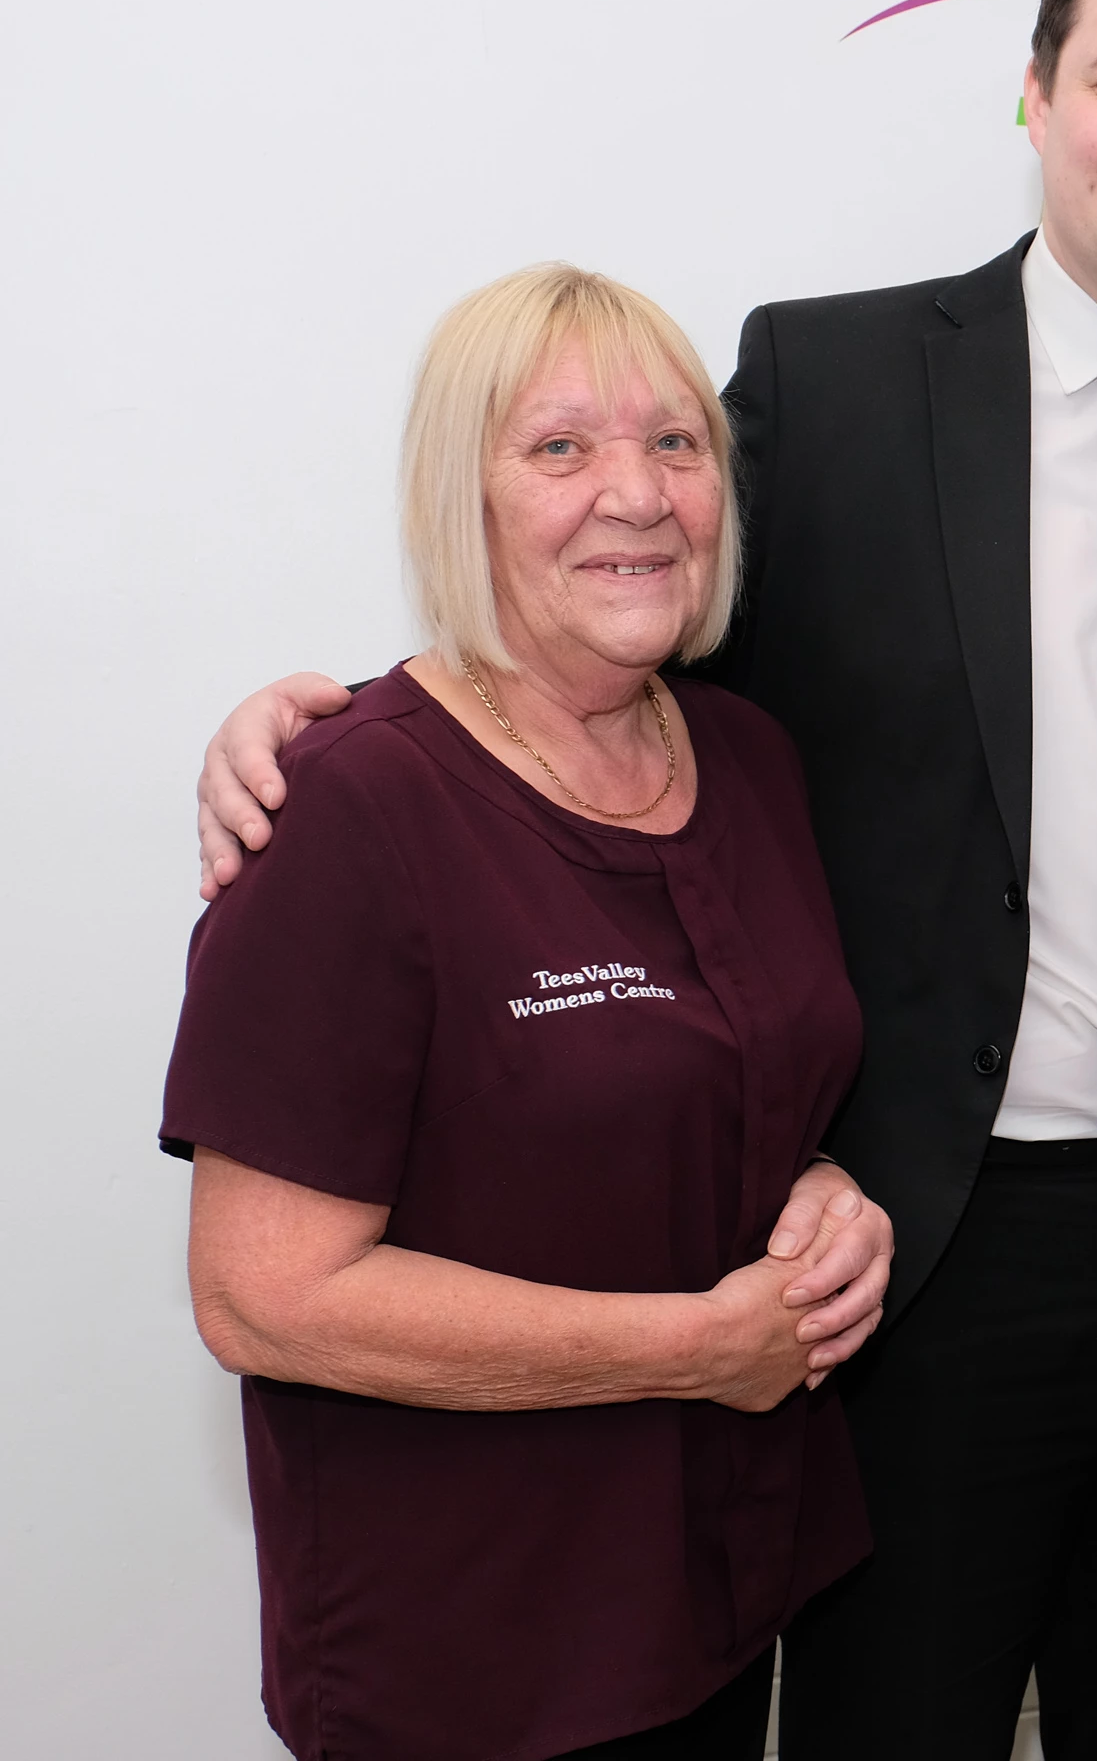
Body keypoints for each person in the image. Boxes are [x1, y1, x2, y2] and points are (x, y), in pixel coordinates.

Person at [187, 0, 1097, 1757]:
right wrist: (330, 718)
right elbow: (613, 597)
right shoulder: (836, 386)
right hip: (907, 1252)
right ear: (1036, 98)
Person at [164, 266, 890, 1760]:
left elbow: (732, 1070)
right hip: (471, 1652)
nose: (635, 492)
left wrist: (822, 1190)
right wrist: (694, 1346)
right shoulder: (352, 807)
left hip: (713, 1601)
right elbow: (262, 1295)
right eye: (559, 448)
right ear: (462, 497)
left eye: (678, 444)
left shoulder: (747, 757)